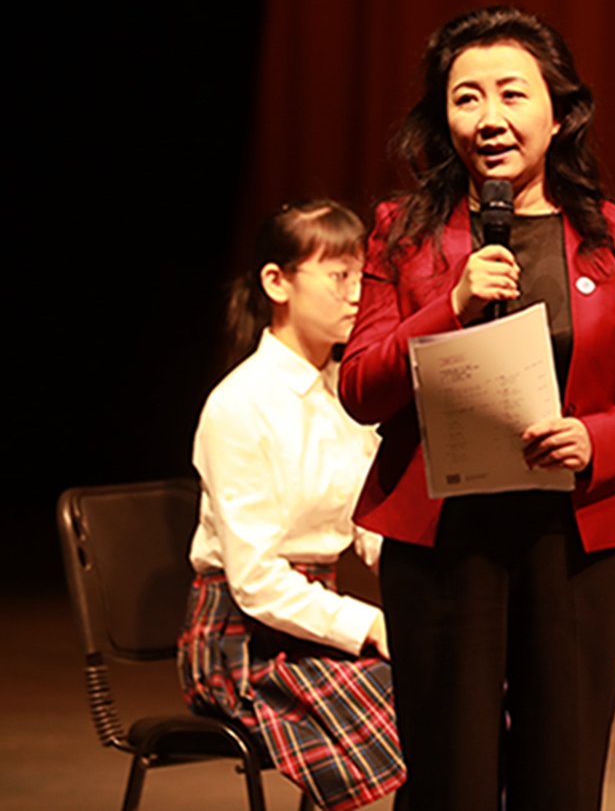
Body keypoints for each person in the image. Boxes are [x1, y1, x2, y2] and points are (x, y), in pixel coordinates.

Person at [338, 5, 615, 811]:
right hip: (445, 540)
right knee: (449, 781)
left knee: (561, 780)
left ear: (559, 115)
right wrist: (449, 304)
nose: (490, 117)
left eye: (512, 94)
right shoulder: (404, 232)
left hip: (573, 541)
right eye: (467, 97)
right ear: (444, 117)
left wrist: (592, 438)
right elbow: (360, 389)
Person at [177, 200, 406, 811]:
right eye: (338, 276)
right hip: (240, 643)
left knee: (467, 688)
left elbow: (372, 527)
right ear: (277, 282)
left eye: (362, 275)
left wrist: (433, 592)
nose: (357, 294)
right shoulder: (240, 405)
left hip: (308, 628)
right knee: (424, 706)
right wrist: (370, 624)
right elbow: (255, 581)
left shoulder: (344, 394)